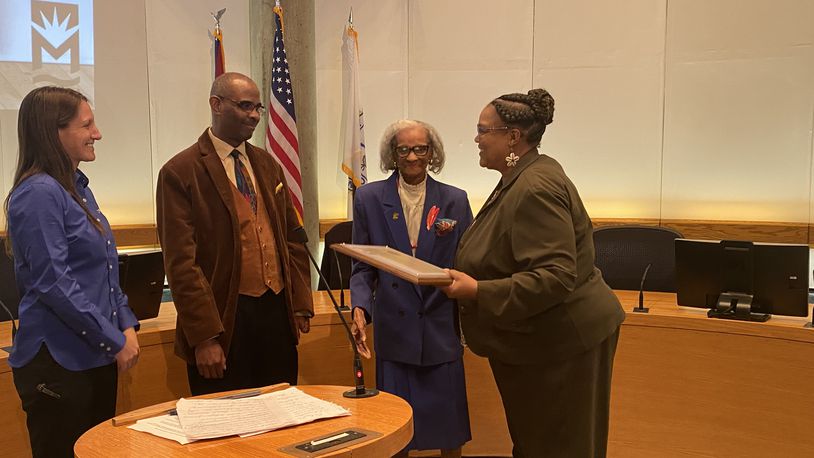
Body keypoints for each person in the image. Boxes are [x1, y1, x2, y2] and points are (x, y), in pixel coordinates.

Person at [442, 89, 626, 457]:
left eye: (483, 130)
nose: (476, 139)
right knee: (541, 444)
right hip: (543, 340)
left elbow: (555, 276)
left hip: (562, 345)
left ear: (512, 136)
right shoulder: (523, 174)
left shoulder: (534, 186)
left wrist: (478, 290)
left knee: (559, 447)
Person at [156, 72, 313, 396]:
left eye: (258, 108)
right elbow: (181, 263)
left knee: (281, 418)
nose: (254, 115)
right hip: (223, 321)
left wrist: (299, 302)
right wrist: (204, 337)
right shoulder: (181, 171)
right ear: (216, 104)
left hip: (275, 317)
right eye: (244, 106)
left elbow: (292, 240)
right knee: (228, 430)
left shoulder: (267, 164)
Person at [4, 86, 140, 457]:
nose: (97, 134)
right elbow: (54, 283)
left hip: (94, 355)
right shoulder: (38, 194)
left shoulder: (76, 187)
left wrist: (125, 323)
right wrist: (114, 338)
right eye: (87, 125)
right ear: (54, 132)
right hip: (58, 363)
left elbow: (107, 268)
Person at [350, 119, 473, 457]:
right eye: (403, 149)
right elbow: (363, 264)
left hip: (439, 326)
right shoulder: (369, 198)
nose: (413, 156)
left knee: (450, 432)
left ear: (432, 153)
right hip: (396, 329)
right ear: (393, 154)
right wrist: (359, 308)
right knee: (395, 430)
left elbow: (469, 262)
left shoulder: (455, 200)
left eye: (420, 148)